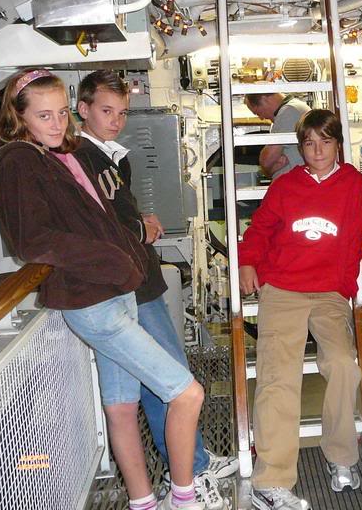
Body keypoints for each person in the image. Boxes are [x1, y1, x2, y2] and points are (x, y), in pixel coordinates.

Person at [0, 68, 206, 510]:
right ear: (19, 116)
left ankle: (143, 502)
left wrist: (122, 258)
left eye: (63, 113)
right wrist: (113, 259)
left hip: (114, 291)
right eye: (44, 116)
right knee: (187, 393)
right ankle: (185, 498)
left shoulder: (54, 154)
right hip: (94, 300)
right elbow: (32, 241)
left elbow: (100, 220)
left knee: (121, 407)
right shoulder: (15, 160)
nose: (58, 124)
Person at [73, 70, 239, 509]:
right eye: (106, 111)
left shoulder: (112, 158)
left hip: (137, 281)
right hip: (128, 286)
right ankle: (193, 475)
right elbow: (100, 223)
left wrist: (139, 223)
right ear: (83, 108)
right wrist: (139, 226)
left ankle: (188, 467)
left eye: (122, 112)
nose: (116, 121)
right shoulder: (80, 159)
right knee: (171, 381)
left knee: (155, 382)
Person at [238, 109, 362, 510]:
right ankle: (271, 482)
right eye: (309, 144)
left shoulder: (353, 183)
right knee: (279, 377)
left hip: (329, 291)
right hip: (282, 288)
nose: (317, 151)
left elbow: (351, 240)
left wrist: (345, 289)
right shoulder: (285, 185)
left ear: (337, 143)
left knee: (344, 365)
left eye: (325, 142)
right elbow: (259, 229)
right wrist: (246, 262)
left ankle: (341, 457)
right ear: (300, 148)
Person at [244, 93, 311, 179]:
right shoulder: (291, 109)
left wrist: (270, 167)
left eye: (258, 112)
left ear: (264, 99)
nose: (261, 118)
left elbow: (266, 161)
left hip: (295, 185)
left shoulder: (289, 111)